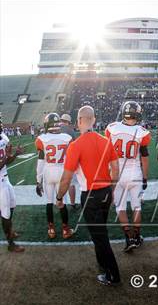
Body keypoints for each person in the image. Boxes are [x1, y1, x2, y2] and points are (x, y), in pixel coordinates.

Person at [56, 106, 120, 285]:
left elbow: (66, 179)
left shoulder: (76, 145)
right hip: (106, 191)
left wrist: (59, 197)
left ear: (79, 121)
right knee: (99, 233)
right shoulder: (106, 141)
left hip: (90, 195)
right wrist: (112, 190)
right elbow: (116, 168)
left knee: (100, 237)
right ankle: (103, 266)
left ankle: (113, 275)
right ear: (93, 119)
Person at [105, 101, 150, 253]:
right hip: (135, 172)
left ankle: (128, 238)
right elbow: (144, 157)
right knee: (137, 207)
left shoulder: (112, 128)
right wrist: (145, 177)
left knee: (120, 207)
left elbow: (107, 153)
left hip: (117, 174)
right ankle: (137, 237)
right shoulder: (142, 131)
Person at [35, 113, 73, 239]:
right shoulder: (67, 138)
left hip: (48, 172)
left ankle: (51, 229)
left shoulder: (42, 139)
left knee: (49, 202)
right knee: (61, 202)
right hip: (62, 172)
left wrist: (38, 181)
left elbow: (40, 162)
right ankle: (65, 229)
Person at [0, 116, 25, 252]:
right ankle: (11, 244)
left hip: (5, 178)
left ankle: (9, 230)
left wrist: (14, 154)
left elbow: (6, 161)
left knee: (12, 205)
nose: (1, 124)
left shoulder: (2, 137)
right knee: (5, 213)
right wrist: (7, 156)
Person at [60, 113, 78, 209]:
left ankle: (60, 202)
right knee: (71, 184)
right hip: (68, 159)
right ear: (68, 121)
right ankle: (72, 203)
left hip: (57, 161)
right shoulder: (70, 130)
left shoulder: (55, 129)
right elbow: (76, 145)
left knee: (59, 183)